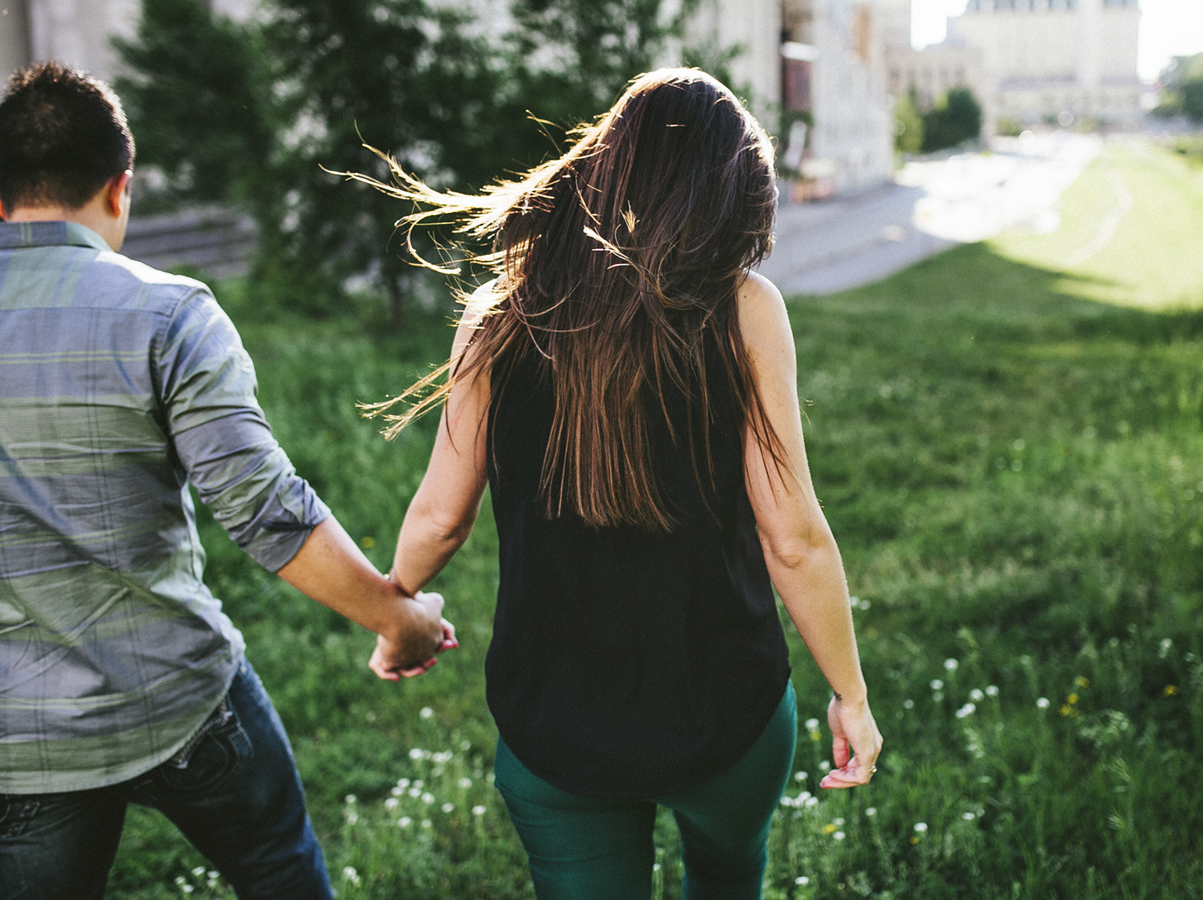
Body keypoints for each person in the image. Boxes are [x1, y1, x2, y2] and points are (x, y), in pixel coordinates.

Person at [0, 62, 453, 900]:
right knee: (280, 871)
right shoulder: (168, 313)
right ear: (121, 189)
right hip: (178, 701)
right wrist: (400, 619)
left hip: (12, 736)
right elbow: (263, 510)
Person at [371, 67, 882, 899]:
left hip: (556, 731)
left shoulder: (499, 313)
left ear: (605, 167)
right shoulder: (745, 308)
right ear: (732, 199)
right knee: (728, 882)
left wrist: (396, 614)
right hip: (726, 716)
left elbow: (438, 517)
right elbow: (792, 538)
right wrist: (849, 696)